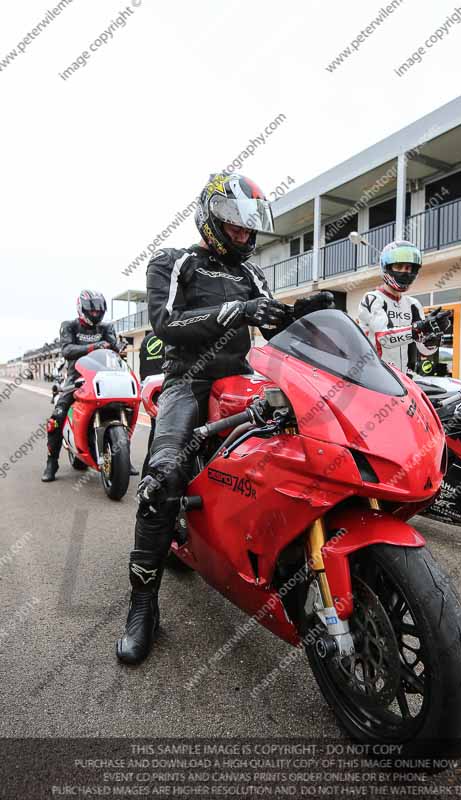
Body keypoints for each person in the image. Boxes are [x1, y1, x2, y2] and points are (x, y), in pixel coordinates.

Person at [116, 172, 334, 664]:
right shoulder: (175, 262)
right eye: (234, 225)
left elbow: (273, 322)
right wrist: (238, 311)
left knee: (310, 446)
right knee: (162, 475)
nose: (243, 234)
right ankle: (143, 605)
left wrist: (306, 312)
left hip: (245, 382)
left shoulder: (252, 274)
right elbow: (166, 324)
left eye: (249, 227)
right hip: (187, 382)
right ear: (211, 219)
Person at [41, 291, 120, 482]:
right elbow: (67, 350)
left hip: (104, 378)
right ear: (82, 309)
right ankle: (52, 462)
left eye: (99, 311)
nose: (95, 314)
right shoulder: (69, 326)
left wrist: (115, 346)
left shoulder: (107, 327)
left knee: (121, 408)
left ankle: (120, 455)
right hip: (76, 381)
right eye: (91, 311)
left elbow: (115, 348)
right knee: (56, 419)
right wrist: (93, 347)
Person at [357, 240, 451, 374]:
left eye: (408, 268)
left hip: (406, 380)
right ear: (387, 267)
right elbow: (385, 338)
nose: (405, 272)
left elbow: (424, 349)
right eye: (399, 266)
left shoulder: (414, 304)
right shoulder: (372, 298)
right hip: (376, 378)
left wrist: (433, 335)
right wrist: (419, 328)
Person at [138, 329, 165, 476]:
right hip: (168, 390)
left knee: (156, 435)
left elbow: (144, 373)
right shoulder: (175, 332)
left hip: (153, 391)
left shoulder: (147, 339)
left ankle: (147, 477)